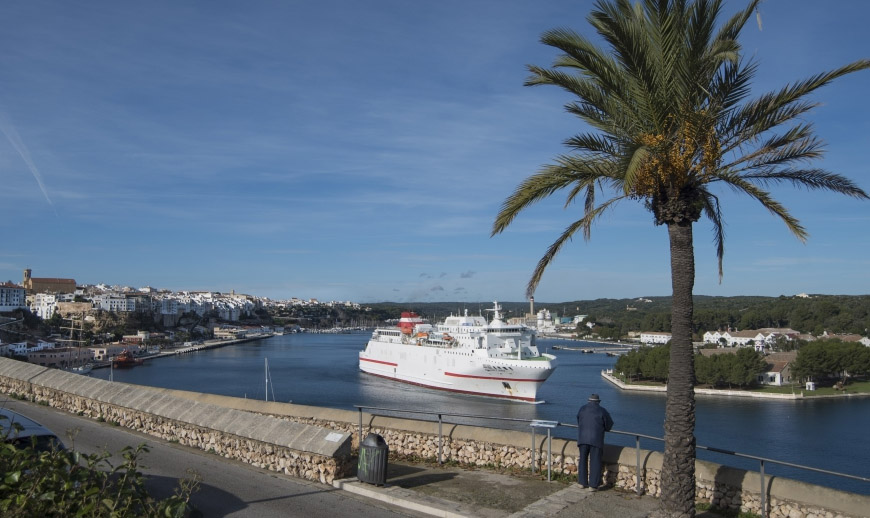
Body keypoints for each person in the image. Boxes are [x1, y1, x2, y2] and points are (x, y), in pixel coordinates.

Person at [576, 393, 614, 490]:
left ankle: (582, 482)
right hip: (596, 440)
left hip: (583, 439)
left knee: (583, 461)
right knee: (595, 462)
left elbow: (578, 420)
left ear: (588, 401)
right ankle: (593, 485)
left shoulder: (582, 409)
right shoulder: (602, 411)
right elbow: (609, 425)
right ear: (598, 402)